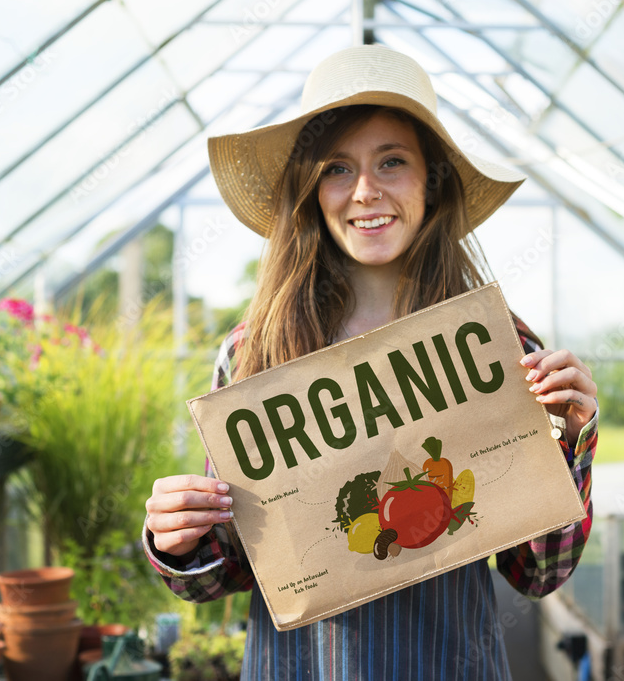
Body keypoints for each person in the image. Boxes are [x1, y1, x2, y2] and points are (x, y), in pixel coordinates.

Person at [143, 44, 598, 679]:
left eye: (393, 161)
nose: (365, 192)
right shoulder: (255, 353)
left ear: (431, 181)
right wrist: (181, 536)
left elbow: (539, 573)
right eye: (336, 168)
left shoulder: (500, 349)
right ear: (310, 189)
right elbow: (241, 566)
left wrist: (568, 440)